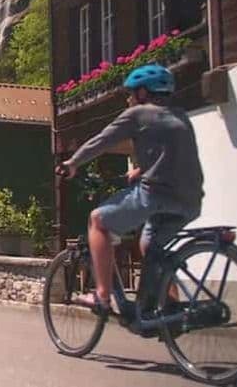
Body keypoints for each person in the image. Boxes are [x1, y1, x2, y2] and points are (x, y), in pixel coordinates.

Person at [57, 64, 204, 315]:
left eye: (131, 93)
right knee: (150, 245)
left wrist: (72, 163)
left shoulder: (138, 115)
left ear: (143, 93)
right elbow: (173, 156)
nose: (128, 98)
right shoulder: (180, 116)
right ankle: (170, 308)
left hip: (156, 196)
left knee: (98, 220)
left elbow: (100, 141)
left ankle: (102, 296)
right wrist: (140, 170)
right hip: (190, 202)